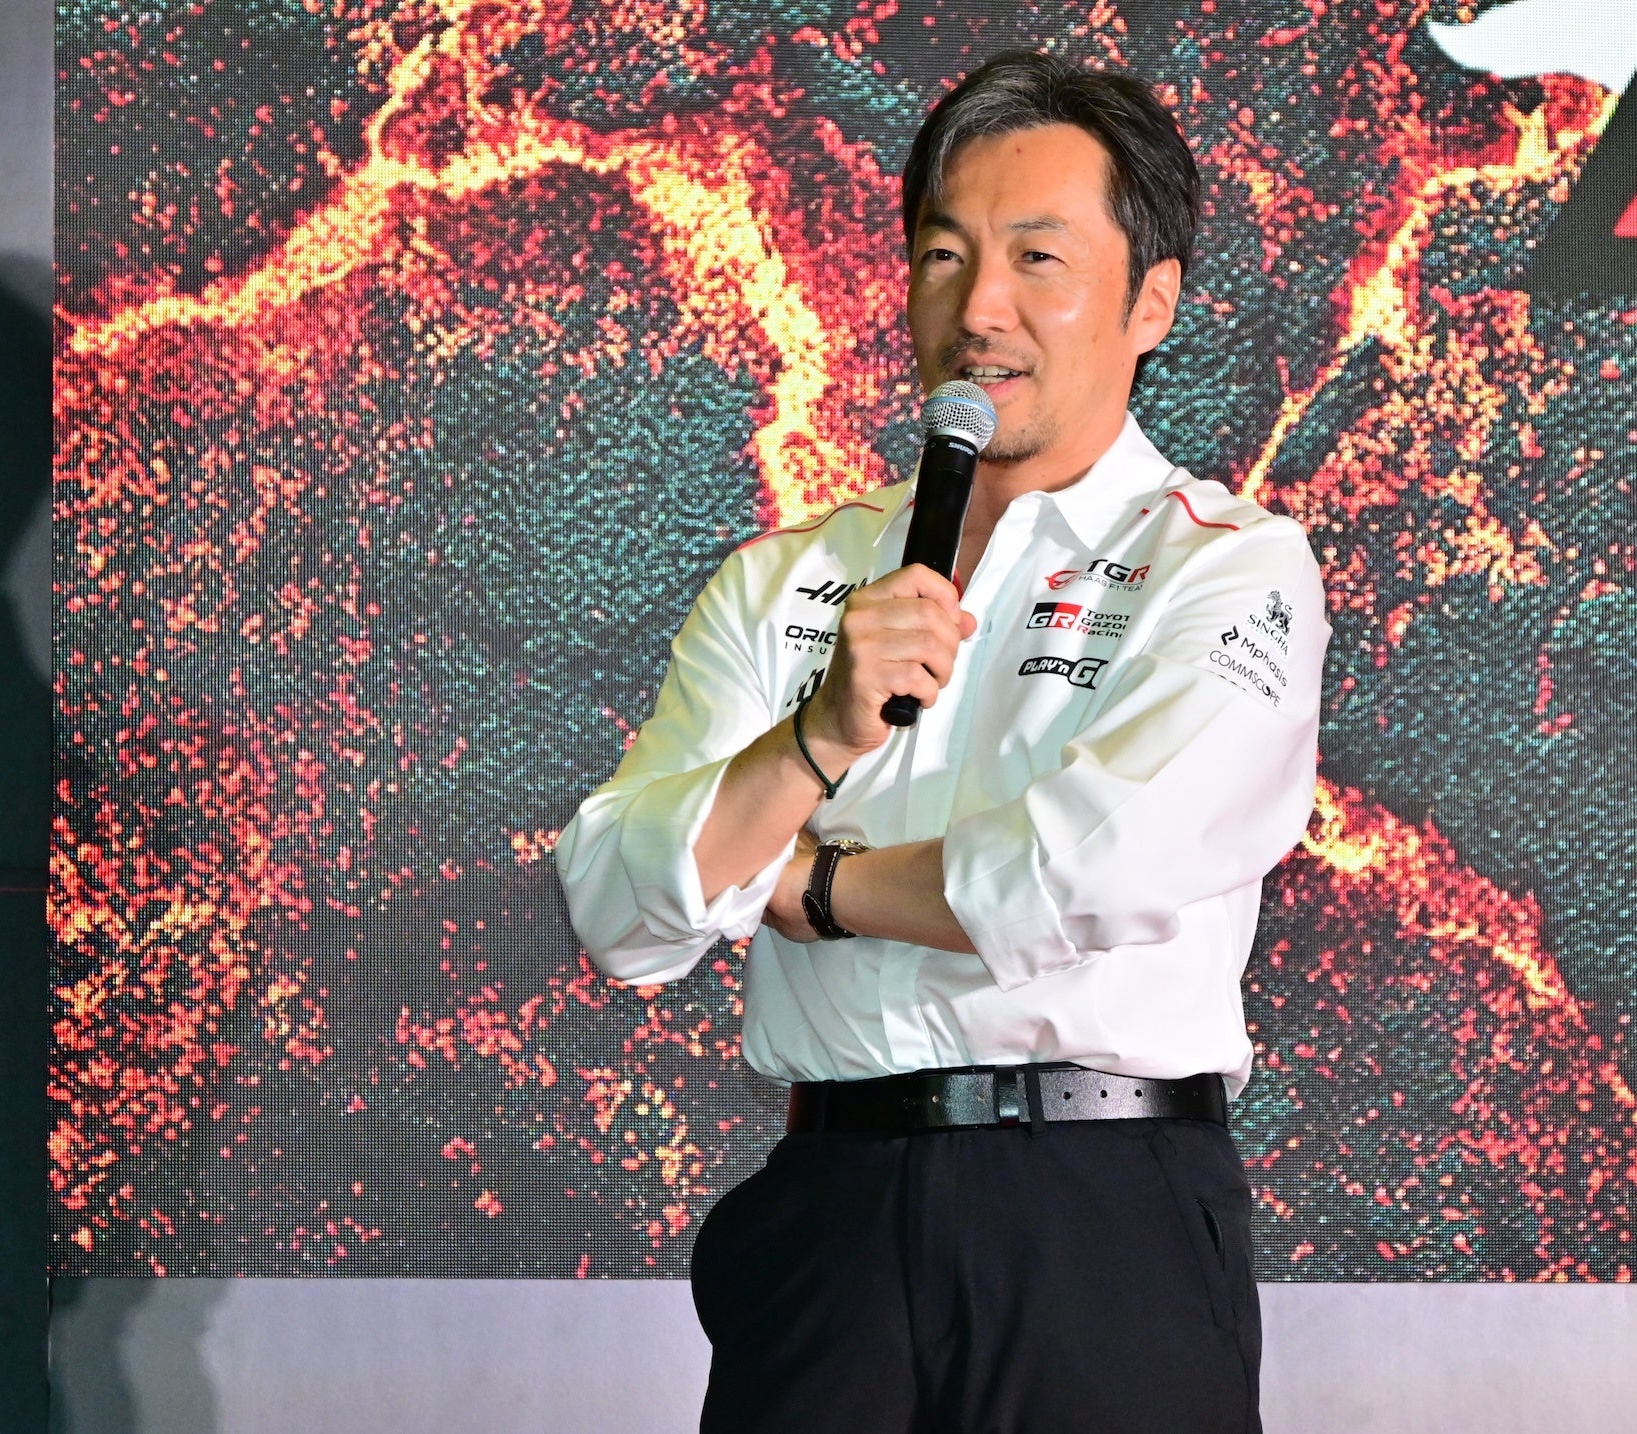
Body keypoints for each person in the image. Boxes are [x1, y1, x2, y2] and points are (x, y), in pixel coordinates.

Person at [556, 50, 1328, 1434]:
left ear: (1151, 300)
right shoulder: (788, 578)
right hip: (832, 1214)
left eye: (1038, 257)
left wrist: (808, 884)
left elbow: (1087, 869)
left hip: (1101, 1219)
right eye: (943, 255)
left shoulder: (1227, 565)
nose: (979, 309)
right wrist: (812, 738)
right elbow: (616, 905)